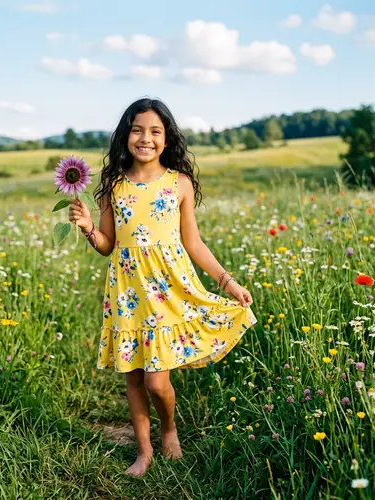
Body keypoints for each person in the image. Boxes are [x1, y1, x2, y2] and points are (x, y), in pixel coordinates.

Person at [68, 97, 258, 476]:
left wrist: (228, 282)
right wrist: (89, 228)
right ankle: (144, 450)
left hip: (169, 293)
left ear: (167, 139)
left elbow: (194, 243)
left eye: (155, 131)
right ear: (126, 136)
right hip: (127, 295)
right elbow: (108, 245)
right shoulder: (113, 186)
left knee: (157, 383)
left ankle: (168, 428)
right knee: (134, 378)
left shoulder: (179, 184)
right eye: (137, 130)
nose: (146, 138)